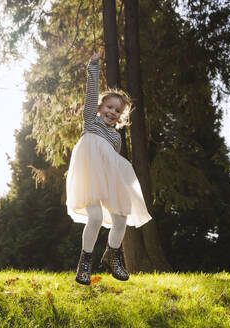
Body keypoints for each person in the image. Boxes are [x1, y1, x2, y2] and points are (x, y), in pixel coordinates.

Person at [66, 53, 153, 285]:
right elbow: (91, 92)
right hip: (89, 176)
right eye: (109, 107)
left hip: (110, 178)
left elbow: (113, 165)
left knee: (121, 218)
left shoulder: (116, 138)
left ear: (120, 116)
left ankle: (113, 255)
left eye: (117, 111)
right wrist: (93, 66)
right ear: (100, 106)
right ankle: (85, 262)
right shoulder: (91, 122)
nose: (112, 112)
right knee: (94, 217)